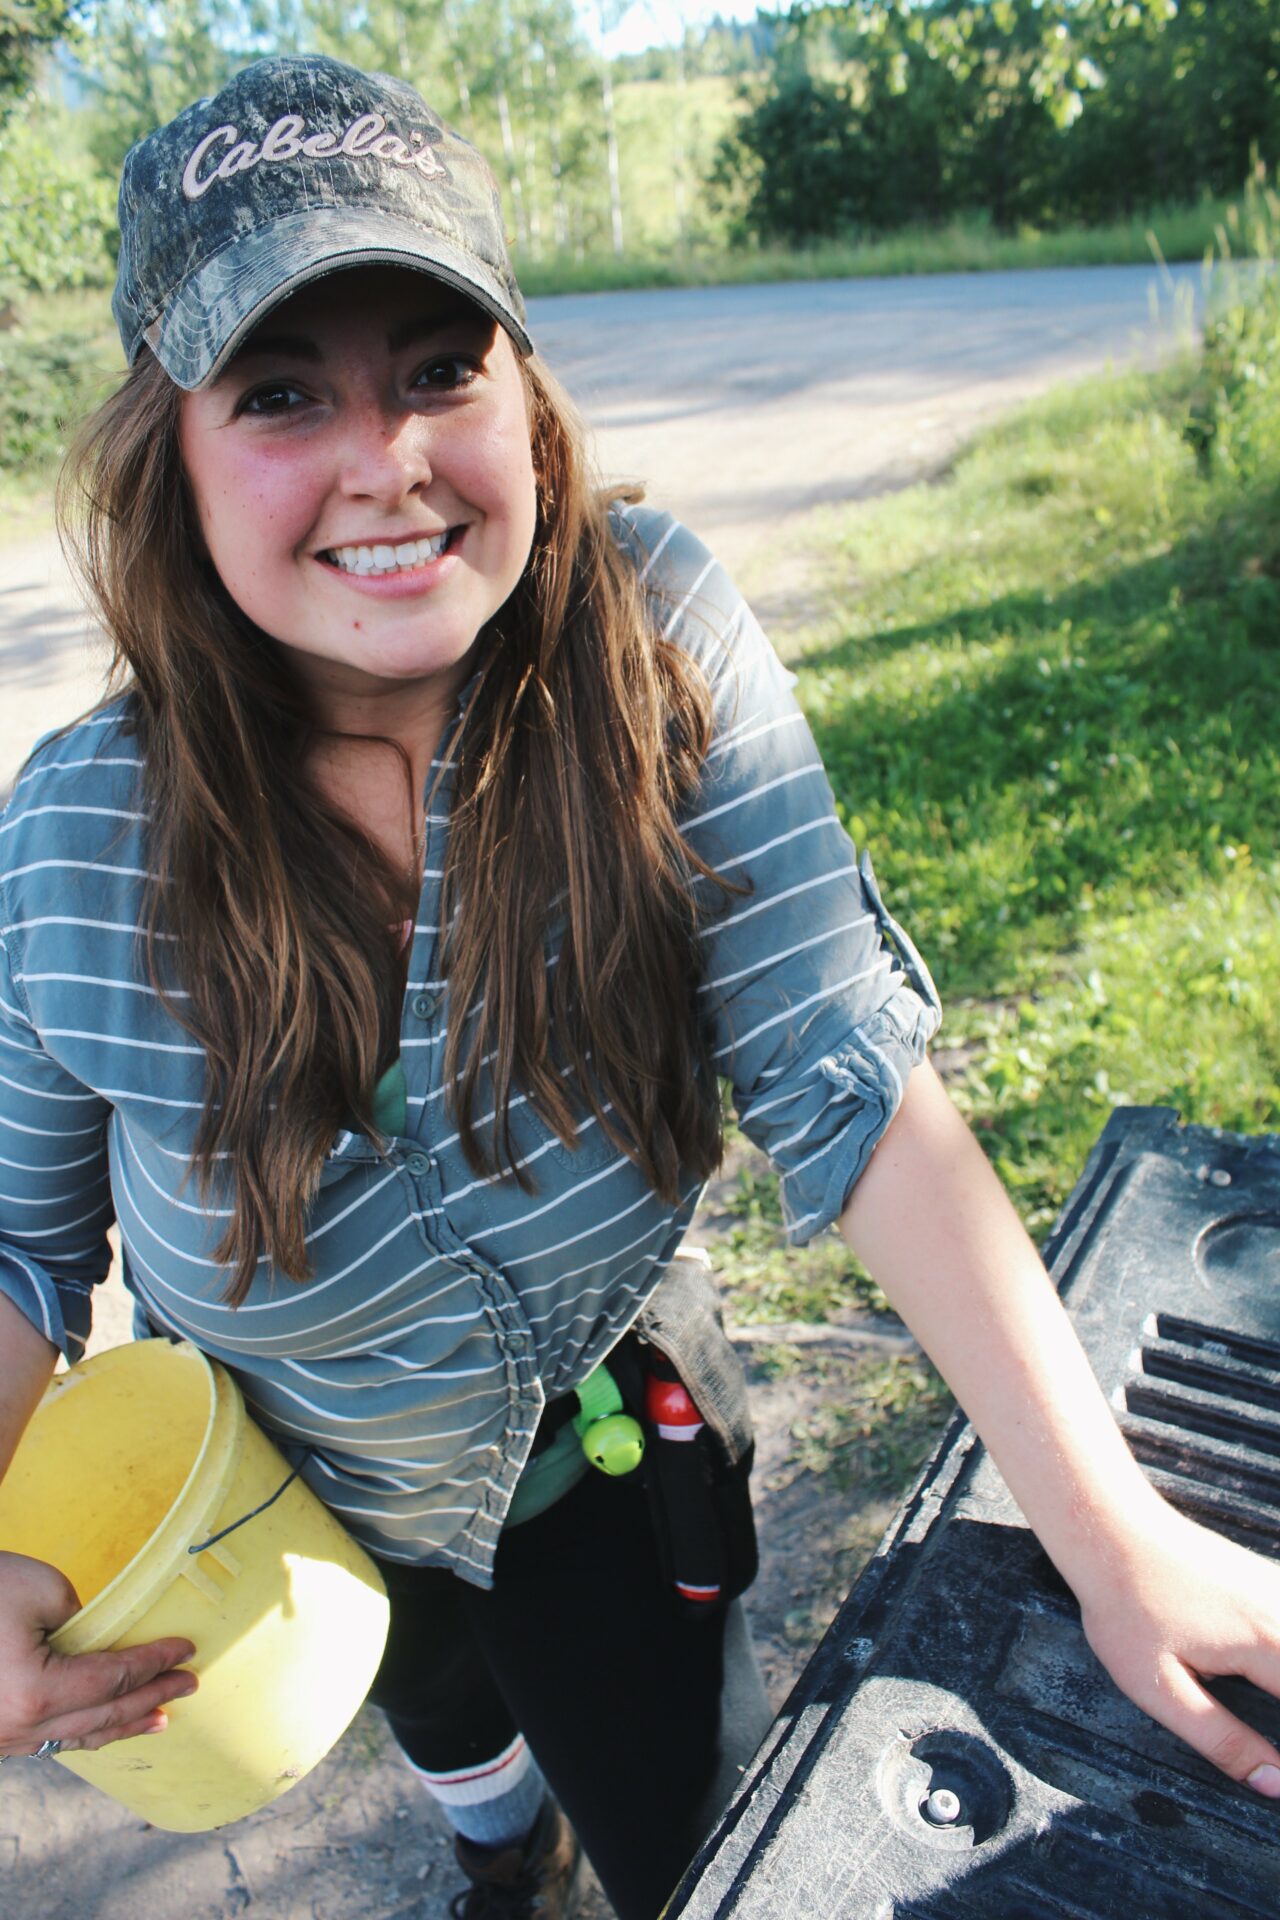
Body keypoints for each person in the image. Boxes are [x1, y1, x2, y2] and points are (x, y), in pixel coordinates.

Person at [2, 52, 1279, 1920]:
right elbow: (23, 1247)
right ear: (168, 452)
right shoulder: (70, 838)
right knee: (429, 1695)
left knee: (685, 1804)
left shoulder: (652, 648)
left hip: (600, 1464)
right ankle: (495, 1836)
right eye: (280, 392)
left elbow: (852, 1090)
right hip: (263, 1493)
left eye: (440, 366)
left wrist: (1111, 1540)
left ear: (526, 397)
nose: (386, 460)